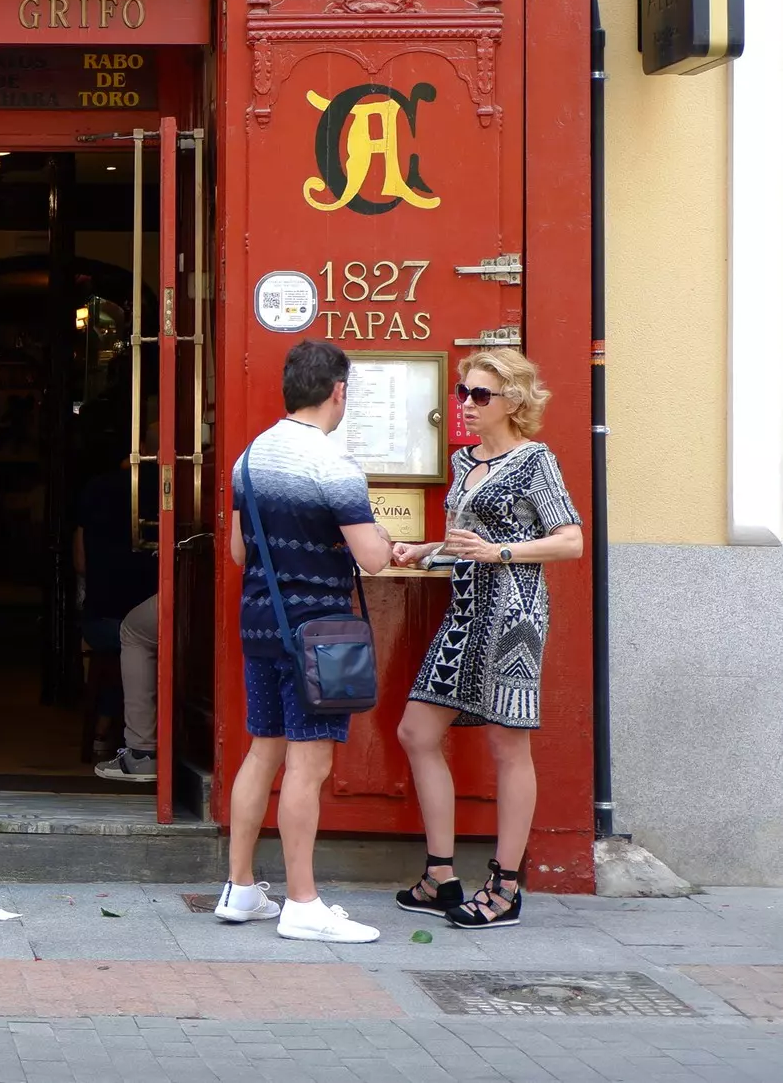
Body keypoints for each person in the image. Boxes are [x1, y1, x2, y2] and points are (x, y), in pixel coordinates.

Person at [389, 350, 584, 929]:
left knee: (507, 746)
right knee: (416, 731)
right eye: (463, 393)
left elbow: (570, 540)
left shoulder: (535, 462)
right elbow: (464, 540)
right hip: (467, 611)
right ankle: (442, 876)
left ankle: (505, 886)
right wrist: (428, 550)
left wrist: (501, 551)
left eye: (481, 396)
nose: (467, 405)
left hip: (515, 615)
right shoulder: (464, 462)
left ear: (515, 402)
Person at [216, 339, 393, 942]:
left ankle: (240, 889)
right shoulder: (333, 464)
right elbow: (372, 560)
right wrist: (385, 539)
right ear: (338, 391)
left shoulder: (249, 458)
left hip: (261, 623)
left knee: (262, 749)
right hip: (316, 631)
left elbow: (239, 551)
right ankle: (302, 903)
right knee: (308, 763)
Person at [74, 428, 161, 783]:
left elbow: (80, 563)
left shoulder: (97, 489)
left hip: (106, 618)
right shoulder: (183, 487)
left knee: (124, 639)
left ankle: (106, 733)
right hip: (172, 617)